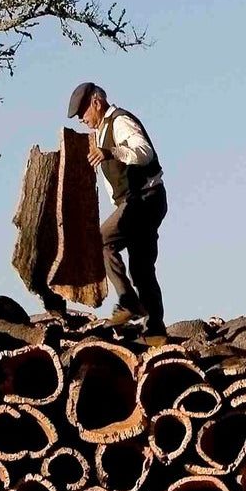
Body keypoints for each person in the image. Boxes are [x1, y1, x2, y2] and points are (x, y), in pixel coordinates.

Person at [67, 82, 168, 336]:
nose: (83, 121)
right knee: (142, 267)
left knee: (100, 242)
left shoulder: (120, 121)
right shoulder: (100, 133)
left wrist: (110, 152)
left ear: (96, 103)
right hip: (140, 202)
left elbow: (144, 152)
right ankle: (155, 330)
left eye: (83, 115)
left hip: (145, 199)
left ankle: (128, 302)